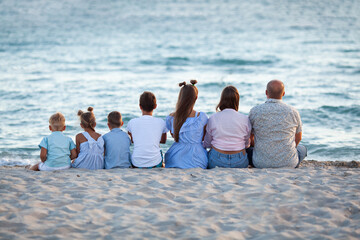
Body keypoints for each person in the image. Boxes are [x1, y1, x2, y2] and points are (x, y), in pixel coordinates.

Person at [248, 80, 307, 168]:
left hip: (260, 163)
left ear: (266, 92)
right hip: (289, 163)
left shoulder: (255, 111)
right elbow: (298, 137)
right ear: (283, 93)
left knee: (248, 150)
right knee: (303, 149)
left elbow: (250, 136)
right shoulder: (293, 111)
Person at [204, 86, 251, 168]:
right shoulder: (245, 119)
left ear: (222, 100)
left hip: (217, 160)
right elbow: (247, 144)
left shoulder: (213, 118)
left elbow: (207, 143)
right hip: (239, 161)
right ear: (237, 100)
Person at [165, 80, 208, 169]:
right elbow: (203, 137)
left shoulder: (172, 117)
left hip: (176, 157)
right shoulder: (201, 117)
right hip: (197, 158)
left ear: (180, 97)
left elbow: (173, 135)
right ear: (196, 98)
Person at [126, 91, 167, 168]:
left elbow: (132, 140)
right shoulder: (161, 122)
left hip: (136, 163)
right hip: (155, 163)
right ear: (155, 106)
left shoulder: (132, 122)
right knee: (159, 152)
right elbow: (163, 141)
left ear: (140, 106)